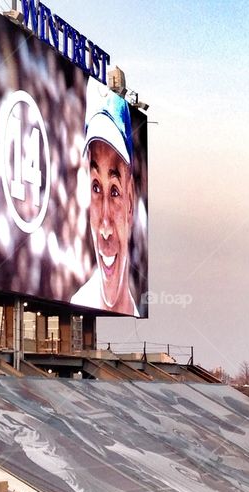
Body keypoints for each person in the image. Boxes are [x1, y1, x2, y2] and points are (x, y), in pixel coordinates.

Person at [71, 80, 139, 316]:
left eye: (115, 191)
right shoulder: (77, 300)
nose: (106, 226)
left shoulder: (137, 309)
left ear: (130, 202)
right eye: (97, 188)